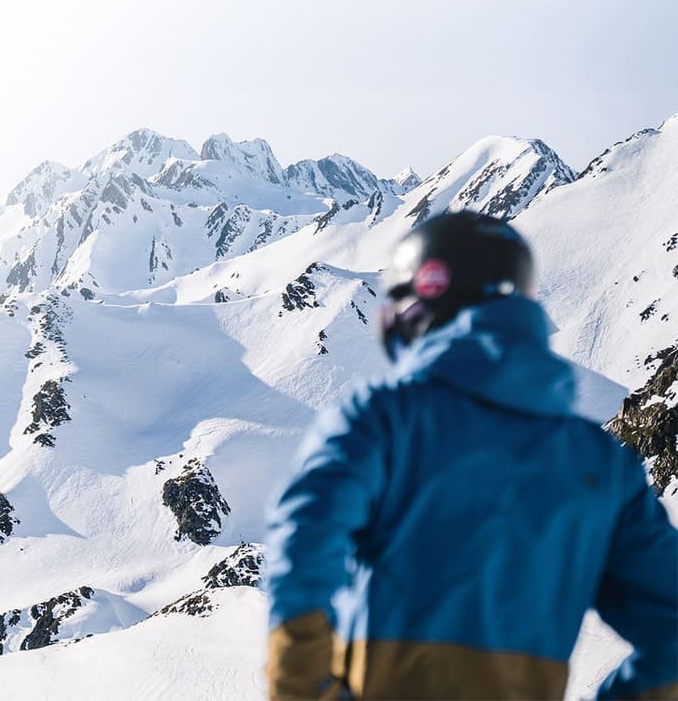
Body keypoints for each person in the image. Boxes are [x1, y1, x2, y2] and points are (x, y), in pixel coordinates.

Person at [264, 210, 678, 700]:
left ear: (418, 304)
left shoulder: (382, 418)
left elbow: (304, 541)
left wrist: (304, 689)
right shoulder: (602, 464)